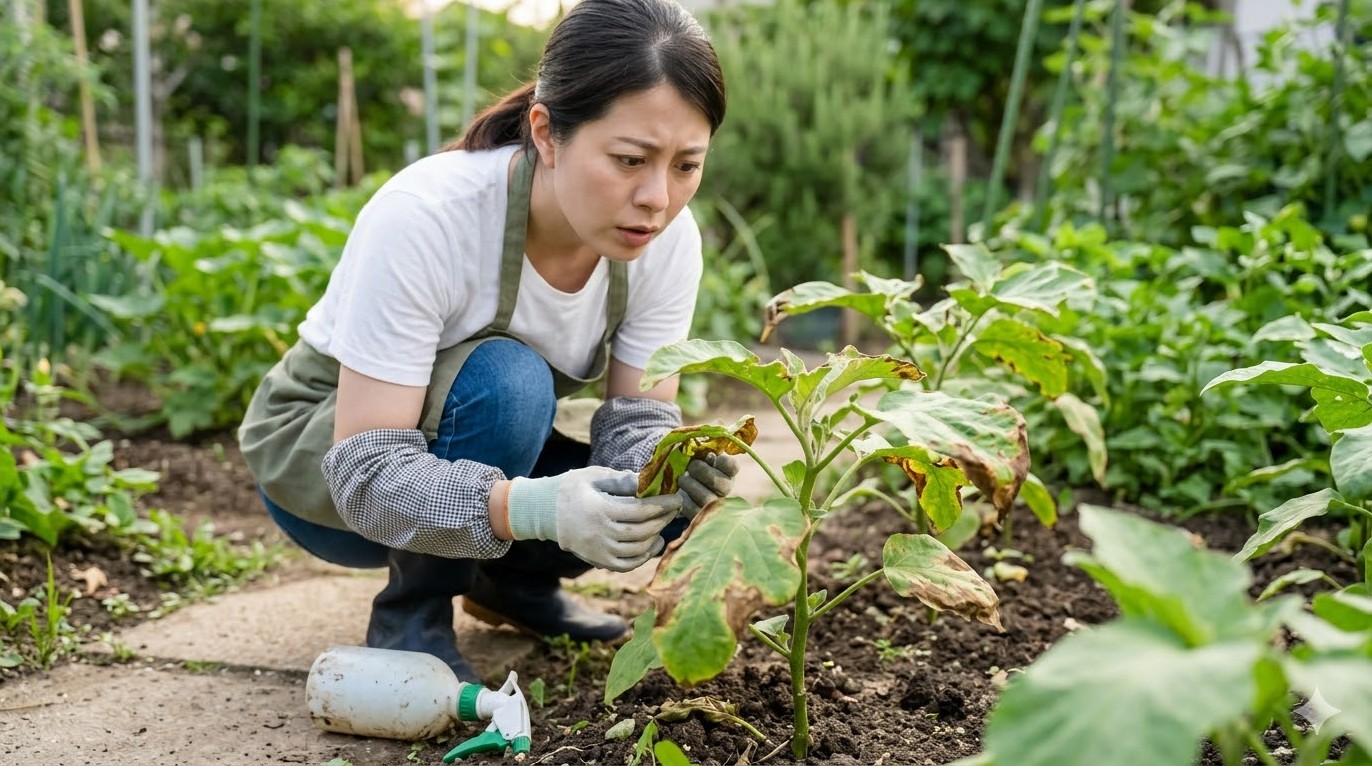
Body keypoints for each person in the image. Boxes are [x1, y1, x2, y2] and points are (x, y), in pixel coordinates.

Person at [237, 0, 738, 683]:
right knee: (509, 385)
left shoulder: (667, 242)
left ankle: (510, 588)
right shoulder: (429, 216)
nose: (657, 197)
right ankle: (410, 617)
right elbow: (364, 474)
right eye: (629, 159)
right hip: (327, 473)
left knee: (646, 471)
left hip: (468, 450)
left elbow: (639, 413)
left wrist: (662, 474)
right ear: (548, 133)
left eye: (686, 165)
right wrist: (537, 507)